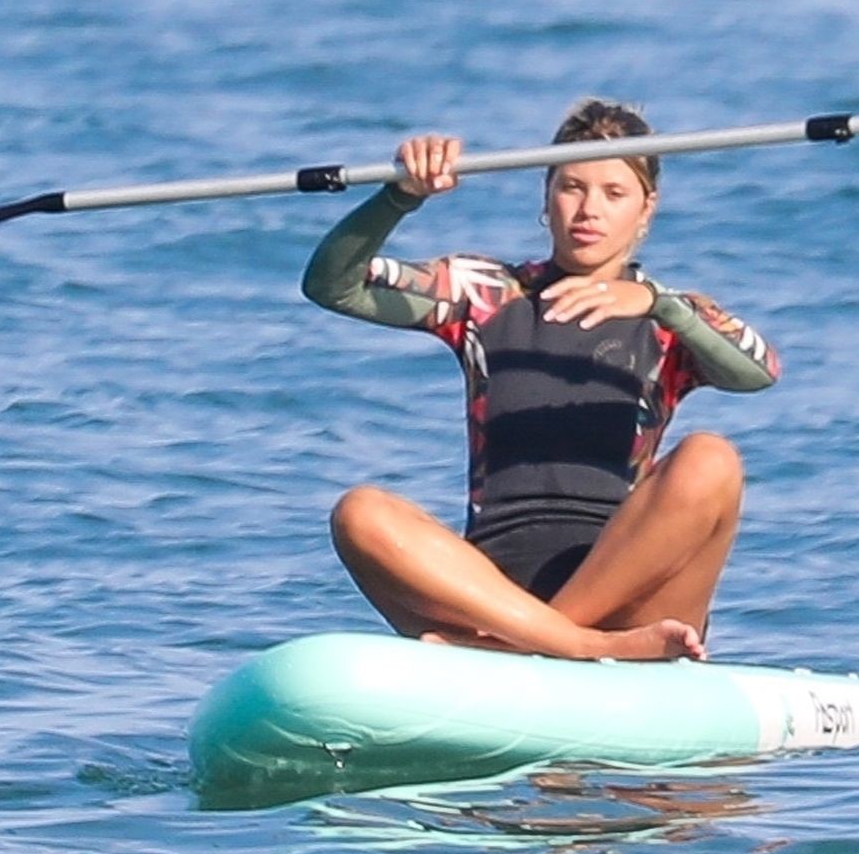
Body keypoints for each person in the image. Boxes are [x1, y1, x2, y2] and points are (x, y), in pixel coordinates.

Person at [301, 99, 780, 662]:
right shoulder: (484, 293)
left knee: (712, 458)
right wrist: (400, 196)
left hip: (630, 600)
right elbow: (332, 285)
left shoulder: (671, 317)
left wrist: (657, 303)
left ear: (646, 209)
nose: (589, 210)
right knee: (360, 512)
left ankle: (536, 644)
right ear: (546, 196)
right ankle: (568, 644)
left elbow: (758, 373)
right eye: (572, 187)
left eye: (614, 193)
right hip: (494, 593)